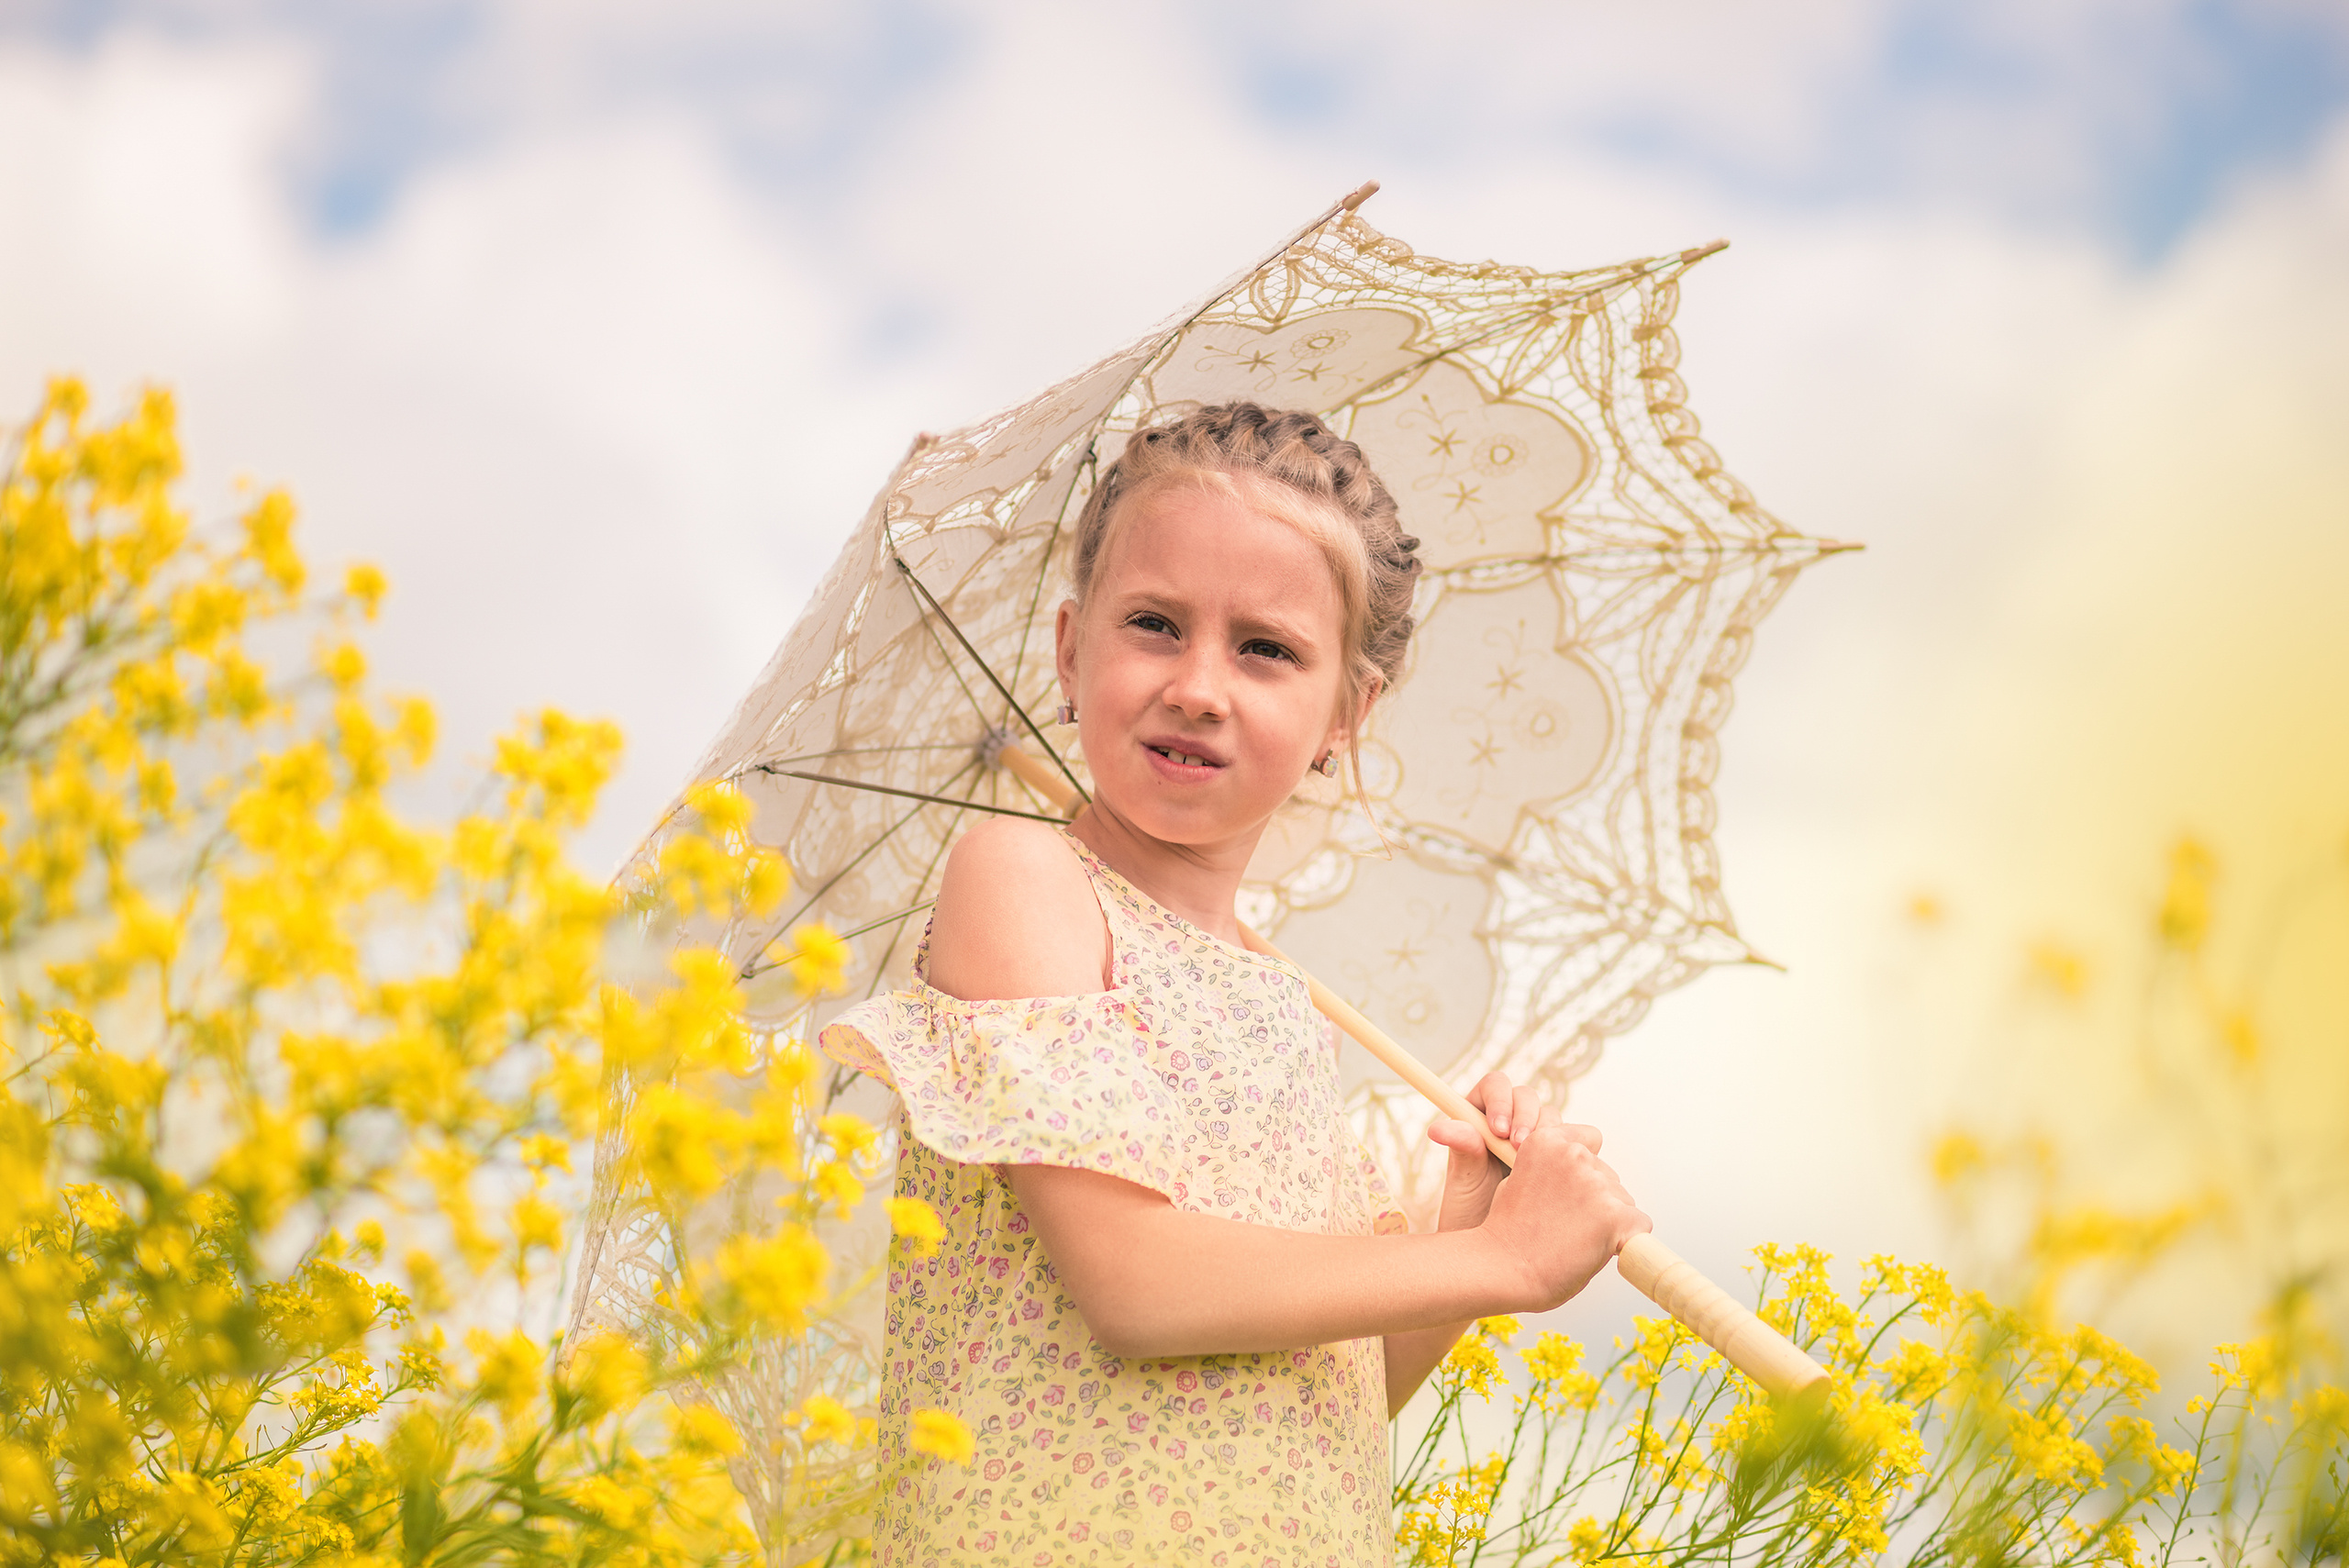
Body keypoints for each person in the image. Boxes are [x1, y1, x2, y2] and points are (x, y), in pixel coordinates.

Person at [818, 403, 1650, 1566]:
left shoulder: (1283, 1003)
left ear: (1345, 715)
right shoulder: (1024, 878)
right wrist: (1507, 1262)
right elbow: (1135, 1286)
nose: (1200, 686)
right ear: (1070, 652)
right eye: (1154, 624)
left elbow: (1326, 1399)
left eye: (1265, 648)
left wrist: (1470, 1230)